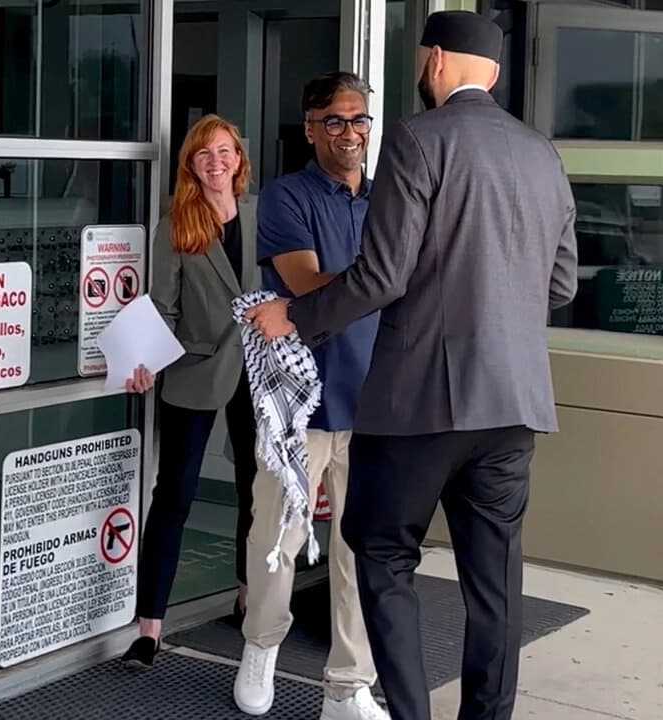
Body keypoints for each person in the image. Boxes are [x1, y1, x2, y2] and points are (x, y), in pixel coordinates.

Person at [245, 11, 578, 720]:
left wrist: (292, 316)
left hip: (420, 402)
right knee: (495, 582)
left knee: (380, 553)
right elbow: (559, 285)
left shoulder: (417, 138)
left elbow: (382, 275)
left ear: (433, 62)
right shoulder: (540, 152)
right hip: (514, 405)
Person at [233, 72, 388, 720]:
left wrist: (364, 287)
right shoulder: (286, 197)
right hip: (303, 404)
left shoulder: (386, 200)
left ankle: (347, 687)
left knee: (364, 554)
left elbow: (337, 294)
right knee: (278, 539)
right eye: (335, 121)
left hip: (377, 402)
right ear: (310, 127)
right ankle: (260, 647)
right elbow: (308, 285)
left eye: (359, 121)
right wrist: (384, 281)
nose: (349, 133)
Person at [122, 114, 260, 668]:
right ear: (190, 165)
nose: (216, 161)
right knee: (174, 496)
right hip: (194, 369)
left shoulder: (262, 215)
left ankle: (249, 596)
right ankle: (149, 626)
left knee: (257, 491)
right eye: (204, 153)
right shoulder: (177, 223)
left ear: (238, 160)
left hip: (256, 371)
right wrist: (142, 359)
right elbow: (162, 306)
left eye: (224, 151)